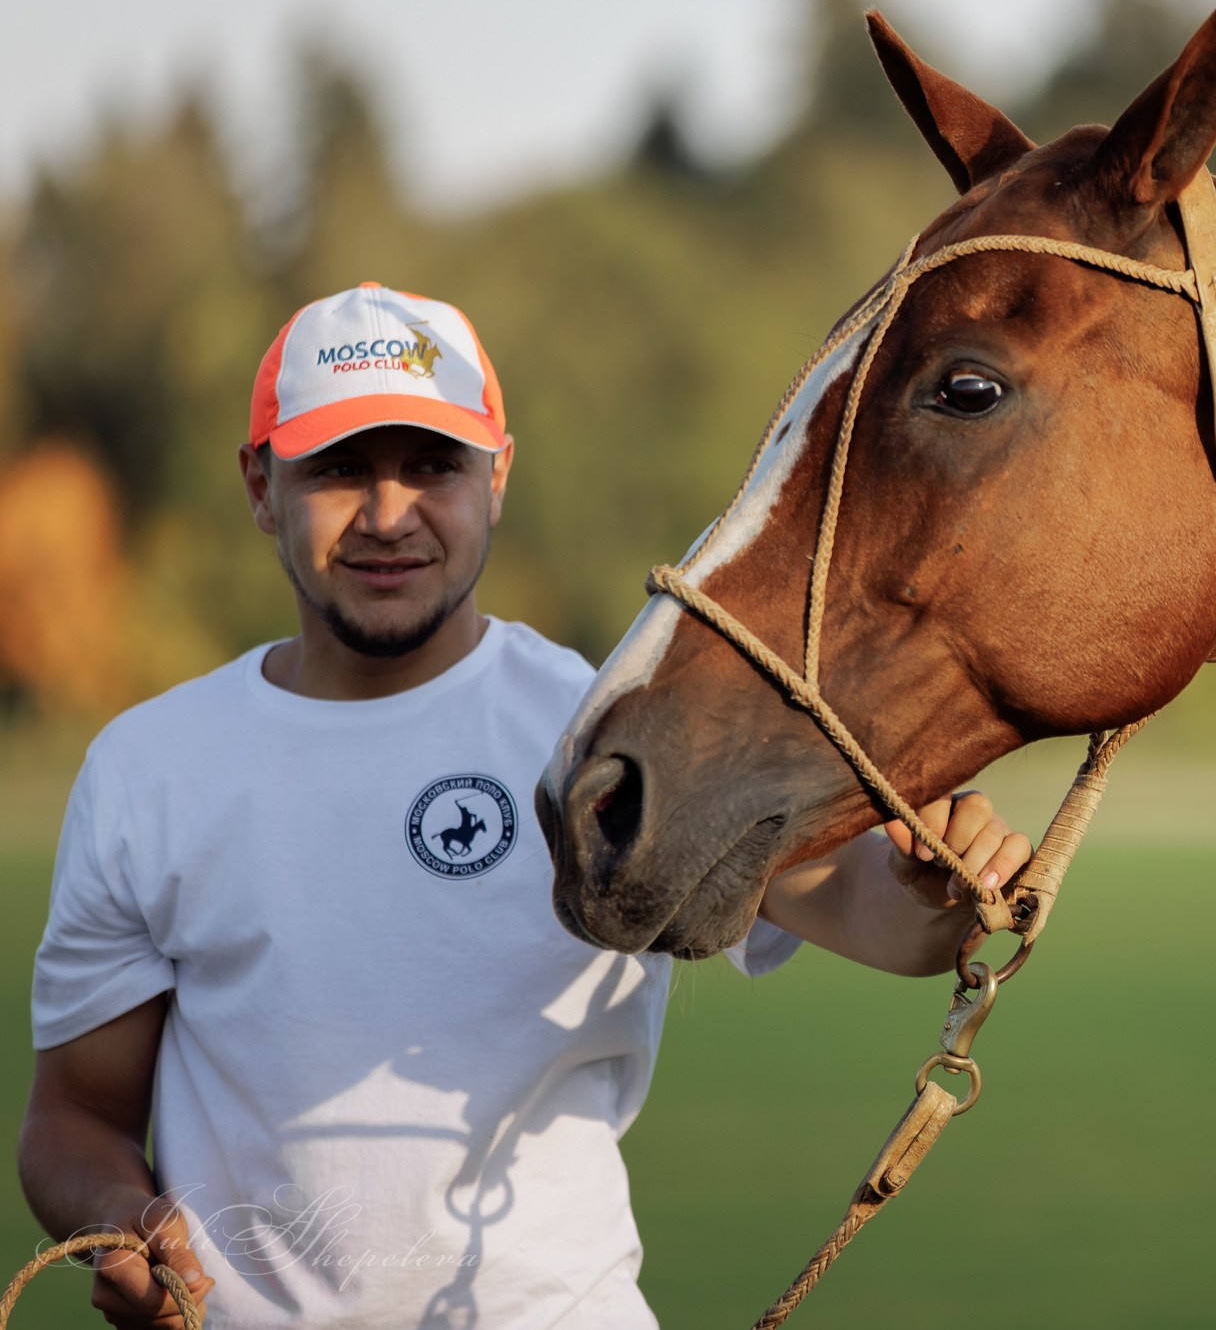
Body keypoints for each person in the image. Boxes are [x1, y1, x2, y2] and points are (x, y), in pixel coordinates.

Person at [17, 283, 1027, 1329]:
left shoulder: (609, 734)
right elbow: (72, 1118)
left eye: (433, 466)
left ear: (497, 476)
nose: (387, 514)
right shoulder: (149, 768)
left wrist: (937, 886)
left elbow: (868, 913)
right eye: (337, 469)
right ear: (260, 484)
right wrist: (120, 1215)